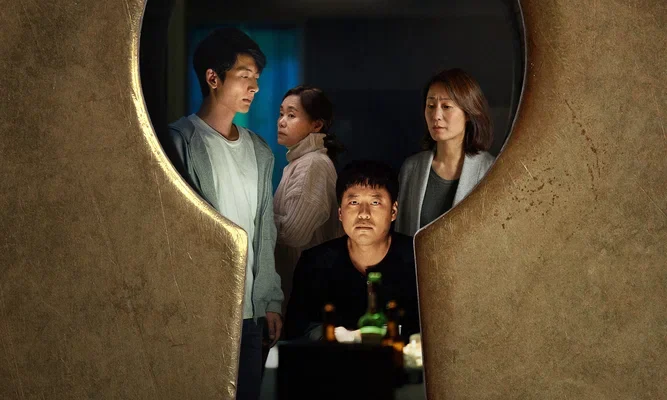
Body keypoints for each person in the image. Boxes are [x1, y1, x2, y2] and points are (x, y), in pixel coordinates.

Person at [159, 27, 283, 400]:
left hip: (250, 314)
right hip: (199, 311)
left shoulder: (260, 151)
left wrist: (270, 300)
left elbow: (265, 232)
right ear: (213, 78)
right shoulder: (178, 142)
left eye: (256, 78)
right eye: (244, 76)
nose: (254, 87)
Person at [285, 160, 420, 343]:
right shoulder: (315, 262)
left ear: (393, 211)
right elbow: (297, 329)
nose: (364, 213)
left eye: (375, 202)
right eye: (354, 202)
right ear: (340, 213)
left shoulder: (419, 259)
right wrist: (332, 335)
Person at [395, 68, 495, 236]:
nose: (436, 115)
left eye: (446, 106)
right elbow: (403, 232)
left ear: (468, 113)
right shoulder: (412, 168)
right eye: (431, 106)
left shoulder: (490, 170)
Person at [273, 85, 344, 311]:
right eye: (281, 113)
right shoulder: (300, 162)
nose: (281, 121)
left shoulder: (313, 164)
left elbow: (293, 233)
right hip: (298, 292)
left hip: (307, 298)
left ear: (316, 125)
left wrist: (253, 218)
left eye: (291, 115)